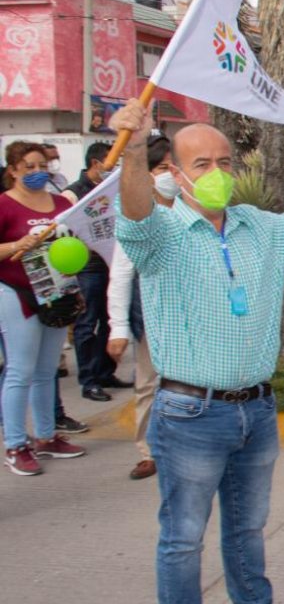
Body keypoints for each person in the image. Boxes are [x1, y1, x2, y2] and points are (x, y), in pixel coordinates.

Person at [111, 98, 284, 604]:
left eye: (224, 162)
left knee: (247, 531)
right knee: (183, 539)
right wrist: (131, 149)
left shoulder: (256, 225)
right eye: (201, 164)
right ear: (174, 172)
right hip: (191, 412)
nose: (216, 172)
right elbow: (134, 216)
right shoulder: (162, 234)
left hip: (256, 411)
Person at [1, 141, 87, 476]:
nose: (38, 173)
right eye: (29, 167)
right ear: (13, 170)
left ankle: (47, 436)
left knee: (46, 369)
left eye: (42, 166)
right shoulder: (4, 206)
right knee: (20, 369)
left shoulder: (59, 203)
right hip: (15, 292)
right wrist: (14, 246)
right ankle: (15, 444)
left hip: (55, 293)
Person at [106, 134, 176, 481]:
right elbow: (121, 273)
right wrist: (118, 326)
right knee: (149, 384)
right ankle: (149, 452)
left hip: (193, 315)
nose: (170, 175)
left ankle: (184, 447)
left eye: (173, 167)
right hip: (151, 318)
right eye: (163, 168)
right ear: (148, 174)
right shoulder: (137, 216)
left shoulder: (196, 207)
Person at [64, 141, 129, 403]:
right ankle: (88, 380)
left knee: (108, 321)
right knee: (87, 323)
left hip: (113, 263)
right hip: (88, 267)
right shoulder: (74, 194)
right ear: (95, 164)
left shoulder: (115, 188)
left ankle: (105, 372)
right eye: (112, 162)